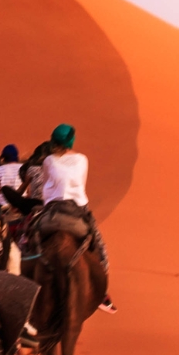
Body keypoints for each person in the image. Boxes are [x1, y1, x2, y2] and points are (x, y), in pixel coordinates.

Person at [37, 123, 111, 310]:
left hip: (51, 211)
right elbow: (80, 185)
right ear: (71, 141)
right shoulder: (81, 160)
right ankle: (102, 295)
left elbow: (45, 188)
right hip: (77, 209)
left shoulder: (48, 161)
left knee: (25, 240)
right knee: (100, 248)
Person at [0, 144, 24, 208]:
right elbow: (29, 193)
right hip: (21, 206)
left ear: (4, 158)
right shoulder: (23, 168)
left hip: (3, 206)